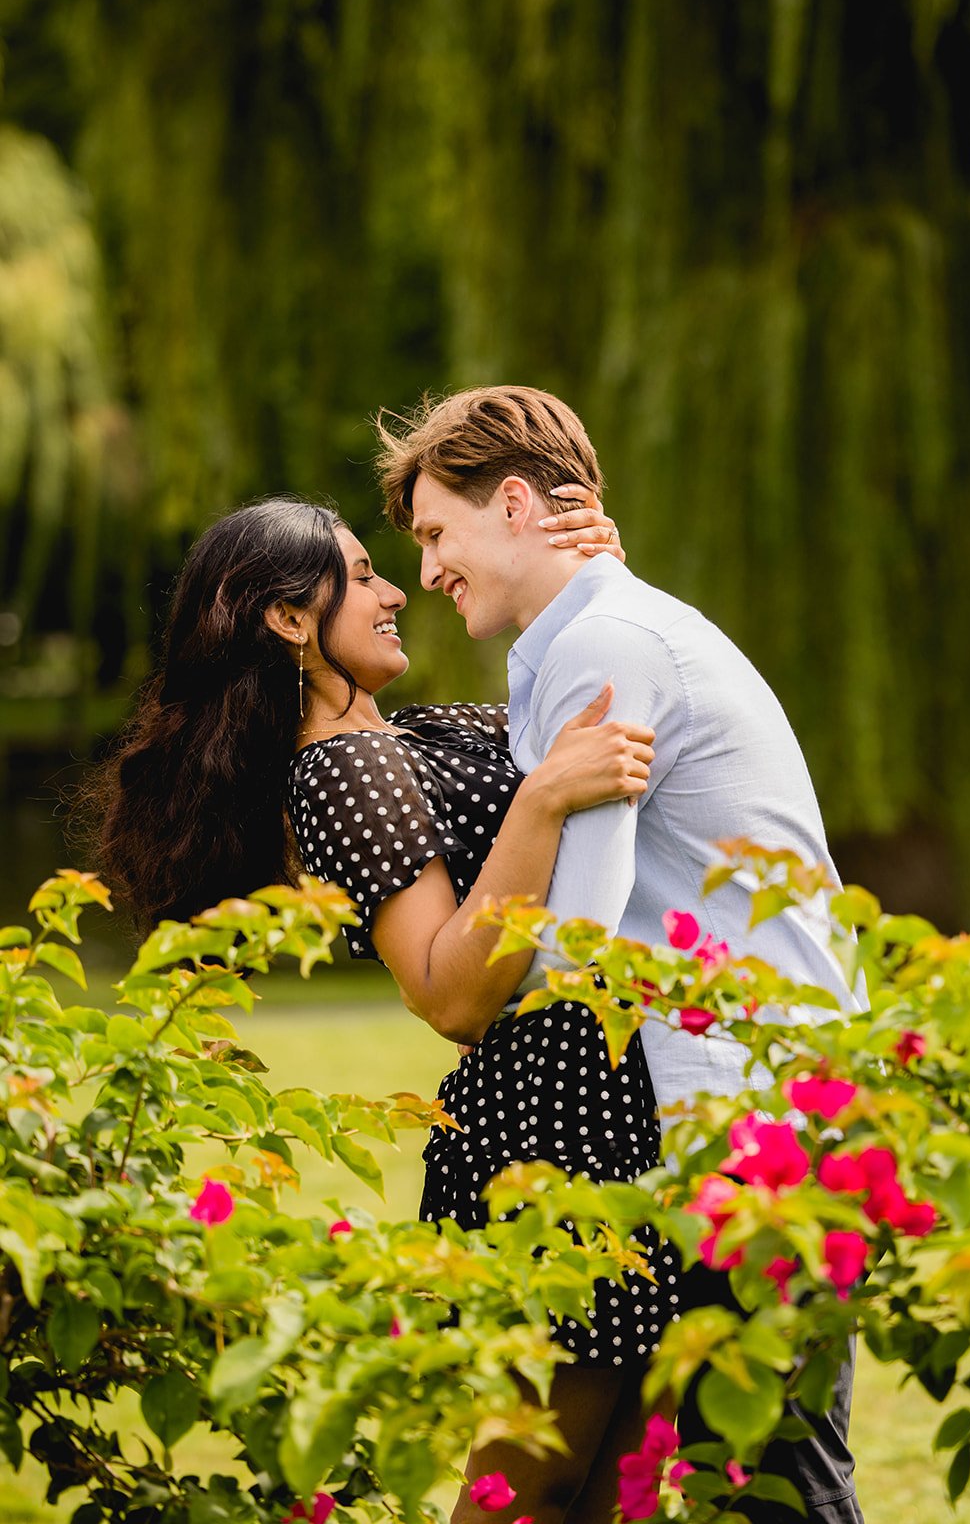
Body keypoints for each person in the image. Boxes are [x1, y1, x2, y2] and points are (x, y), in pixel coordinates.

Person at [88, 492, 680, 1524]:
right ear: (285, 617)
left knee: (611, 1489)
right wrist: (541, 798)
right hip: (549, 1131)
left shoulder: (400, 735)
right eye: (361, 574)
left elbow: (583, 724)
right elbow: (449, 991)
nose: (394, 587)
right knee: (529, 1480)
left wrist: (596, 585)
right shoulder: (341, 768)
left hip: (597, 1109)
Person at [376, 385, 869, 1524]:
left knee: (771, 1483)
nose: (433, 570)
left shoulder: (604, 640)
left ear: (512, 502)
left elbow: (579, 943)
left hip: (749, 1119)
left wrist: (459, 981)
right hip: (764, 1099)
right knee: (728, 1472)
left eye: (439, 533)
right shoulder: (598, 630)